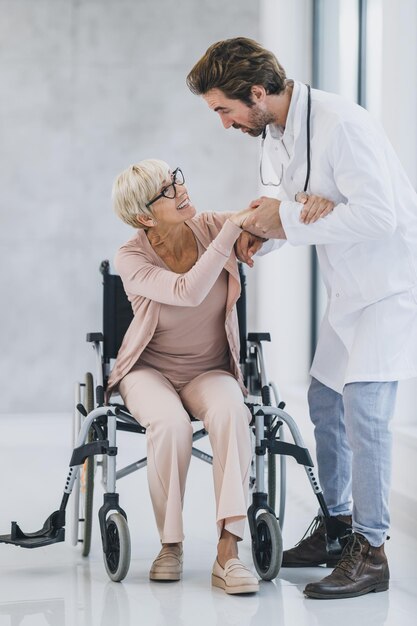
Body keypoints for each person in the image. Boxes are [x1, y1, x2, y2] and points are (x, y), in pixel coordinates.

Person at [187, 37, 417, 599]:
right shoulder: (275, 134)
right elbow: (284, 210)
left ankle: (373, 551)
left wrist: (288, 215)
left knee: (364, 412)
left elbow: (380, 216)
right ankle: (337, 528)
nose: (223, 123)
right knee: (323, 401)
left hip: (389, 288)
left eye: (223, 109)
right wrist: (258, 236)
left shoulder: (343, 124)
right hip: (348, 290)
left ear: (257, 92)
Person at [106, 158, 261, 594]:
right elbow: (186, 291)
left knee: (233, 411)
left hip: (208, 369)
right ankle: (170, 545)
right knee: (170, 425)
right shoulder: (130, 256)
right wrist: (235, 231)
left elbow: (261, 216)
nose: (181, 189)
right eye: (167, 190)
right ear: (144, 216)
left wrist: (300, 206)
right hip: (149, 371)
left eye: (177, 178)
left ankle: (228, 553)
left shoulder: (210, 225)